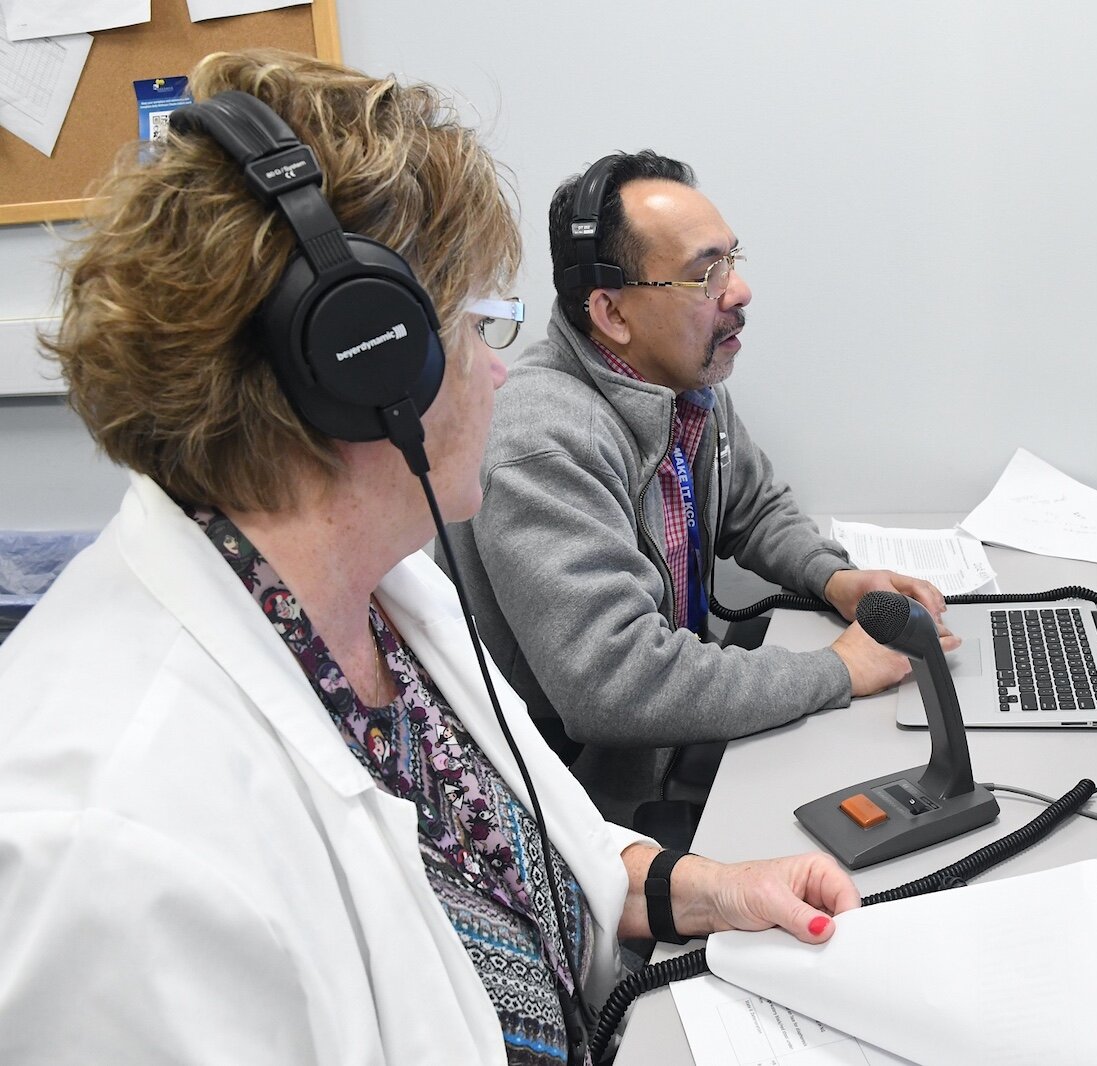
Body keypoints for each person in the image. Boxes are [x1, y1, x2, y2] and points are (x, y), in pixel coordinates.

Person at [0, 51, 858, 1066]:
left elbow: (545, 861)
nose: (500, 364)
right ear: (362, 365)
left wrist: (713, 889)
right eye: (470, 320)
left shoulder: (385, 591)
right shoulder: (108, 850)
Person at [443, 151, 955, 825]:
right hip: (593, 807)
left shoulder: (682, 383)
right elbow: (615, 683)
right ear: (612, 314)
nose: (738, 291)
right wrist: (837, 671)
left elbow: (755, 507)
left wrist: (836, 581)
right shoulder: (542, 441)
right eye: (705, 274)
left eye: (732, 261)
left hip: (677, 750)